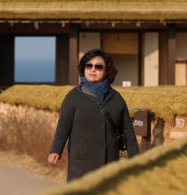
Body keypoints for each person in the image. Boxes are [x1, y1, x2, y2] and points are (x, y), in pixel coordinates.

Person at [48, 49, 140, 181]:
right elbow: (63, 125)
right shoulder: (73, 96)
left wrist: (135, 158)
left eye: (98, 66)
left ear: (106, 70)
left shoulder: (116, 98)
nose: (92, 69)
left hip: (109, 161)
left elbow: (128, 130)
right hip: (82, 163)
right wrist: (56, 150)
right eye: (88, 65)